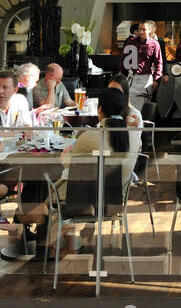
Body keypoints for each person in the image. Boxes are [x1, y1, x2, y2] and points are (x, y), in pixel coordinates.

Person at [34, 87, 143, 256]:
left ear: (99, 110)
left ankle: (39, 241)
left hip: (81, 200)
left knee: (48, 193)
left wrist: (65, 155)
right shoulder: (135, 136)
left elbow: (68, 164)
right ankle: (69, 245)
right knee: (54, 197)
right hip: (115, 201)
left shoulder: (90, 136)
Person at [121, 21, 163, 108]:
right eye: (140, 29)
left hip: (146, 80)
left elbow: (159, 63)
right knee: (130, 107)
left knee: (143, 108)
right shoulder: (131, 41)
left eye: (144, 29)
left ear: (150, 30)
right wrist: (121, 74)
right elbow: (124, 59)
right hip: (132, 78)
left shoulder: (154, 43)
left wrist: (157, 80)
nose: (141, 32)